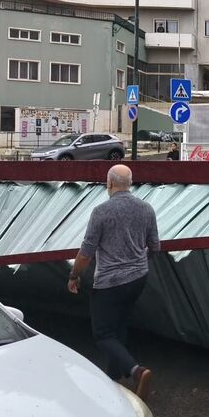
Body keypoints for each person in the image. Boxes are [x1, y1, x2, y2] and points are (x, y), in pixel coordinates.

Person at [67, 164, 160, 399]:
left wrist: (74, 275)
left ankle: (137, 371)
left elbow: (86, 252)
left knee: (103, 334)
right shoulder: (146, 209)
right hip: (138, 278)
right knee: (119, 326)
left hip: (110, 282)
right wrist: (136, 261)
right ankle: (114, 379)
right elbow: (155, 247)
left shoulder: (101, 212)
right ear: (130, 183)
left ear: (109, 183)